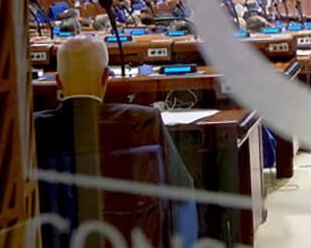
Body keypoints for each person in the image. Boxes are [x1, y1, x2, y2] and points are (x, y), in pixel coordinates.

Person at [34, 36, 197, 246]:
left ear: (58, 81)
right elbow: (182, 195)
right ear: (106, 76)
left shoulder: (36, 129)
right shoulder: (144, 121)